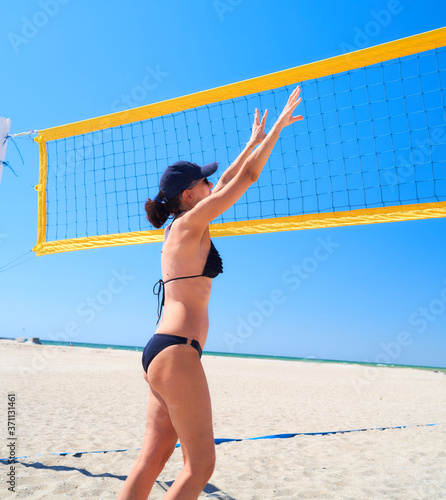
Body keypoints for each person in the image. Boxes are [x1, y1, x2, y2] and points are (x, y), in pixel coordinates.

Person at [117, 86, 303, 500]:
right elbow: (248, 178)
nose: (212, 183)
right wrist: (275, 131)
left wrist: (252, 141)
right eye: (205, 180)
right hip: (178, 352)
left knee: (153, 458)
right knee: (200, 466)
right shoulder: (186, 226)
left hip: (161, 351)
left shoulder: (179, 227)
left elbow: (229, 181)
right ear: (188, 194)